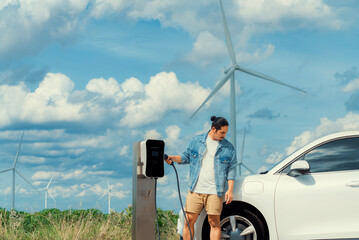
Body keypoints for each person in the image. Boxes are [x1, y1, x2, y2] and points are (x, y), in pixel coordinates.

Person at [165, 116, 237, 240]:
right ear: (213, 129)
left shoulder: (228, 148)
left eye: (226, 132)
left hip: (215, 191)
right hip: (195, 189)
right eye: (222, 132)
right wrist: (173, 158)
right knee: (189, 220)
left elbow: (232, 169)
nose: (224, 135)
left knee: (214, 223)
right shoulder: (196, 141)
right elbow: (186, 156)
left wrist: (230, 190)